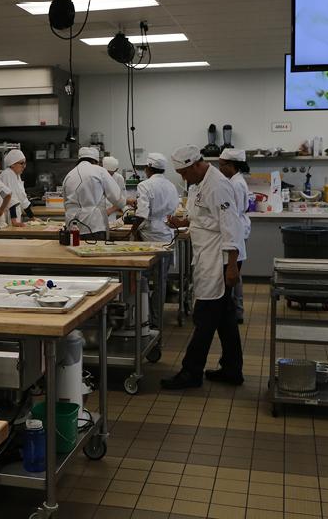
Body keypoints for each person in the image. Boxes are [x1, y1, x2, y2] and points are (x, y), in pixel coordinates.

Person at [162, 145, 244, 389]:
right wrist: (183, 221)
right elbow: (205, 216)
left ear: (197, 164)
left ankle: (191, 372)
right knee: (225, 317)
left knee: (205, 316)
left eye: (185, 173)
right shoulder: (201, 183)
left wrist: (232, 266)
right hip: (209, 255)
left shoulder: (217, 185)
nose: (184, 178)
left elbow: (232, 225)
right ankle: (232, 369)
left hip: (220, 258)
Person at [126, 152, 180, 328]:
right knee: (161, 280)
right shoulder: (172, 186)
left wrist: (133, 231)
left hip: (150, 236)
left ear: (148, 168)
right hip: (167, 234)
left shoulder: (145, 185)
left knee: (141, 276)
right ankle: (157, 320)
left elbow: (142, 214)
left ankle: (143, 317)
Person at [63, 146, 126, 240]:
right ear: (96, 161)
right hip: (93, 225)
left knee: (75, 252)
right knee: (94, 252)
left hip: (72, 225)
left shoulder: (69, 175)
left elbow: (65, 202)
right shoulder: (99, 171)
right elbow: (118, 200)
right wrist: (125, 202)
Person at [218, 148, 252, 324]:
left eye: (222, 165)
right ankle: (237, 310)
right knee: (235, 273)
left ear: (231, 165)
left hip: (237, 230)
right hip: (238, 228)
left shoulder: (236, 184)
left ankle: (236, 311)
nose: (220, 168)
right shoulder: (235, 180)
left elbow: (232, 213)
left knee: (233, 272)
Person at [0, 149, 34, 227]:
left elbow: (23, 198)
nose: (24, 166)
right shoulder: (7, 174)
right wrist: (14, 220)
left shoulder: (16, 175)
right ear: (12, 164)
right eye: (21, 163)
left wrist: (32, 217)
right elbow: (11, 199)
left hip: (15, 214)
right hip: (10, 215)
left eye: (25, 163)